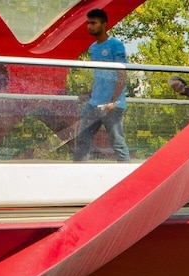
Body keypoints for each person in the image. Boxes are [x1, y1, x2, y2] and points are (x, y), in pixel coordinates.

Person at [73, 9, 130, 162]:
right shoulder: (93, 47)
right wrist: (89, 93)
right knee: (83, 138)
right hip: (93, 104)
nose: (89, 26)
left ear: (104, 25)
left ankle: (126, 171)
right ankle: (76, 170)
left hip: (111, 105)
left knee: (117, 142)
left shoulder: (115, 45)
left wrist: (113, 101)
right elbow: (99, 76)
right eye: (88, 23)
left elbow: (123, 76)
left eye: (93, 23)